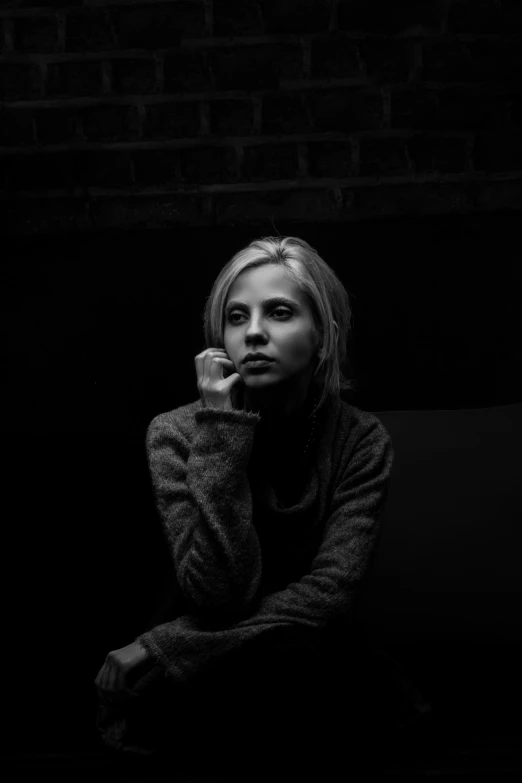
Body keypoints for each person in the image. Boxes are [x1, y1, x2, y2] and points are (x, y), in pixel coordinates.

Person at [94, 235, 403, 778]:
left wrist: (165, 644)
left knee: (297, 672)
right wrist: (223, 431)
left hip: (306, 658)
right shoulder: (177, 433)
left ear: (324, 337)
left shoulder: (361, 439)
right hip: (209, 679)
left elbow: (328, 594)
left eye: (279, 312)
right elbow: (220, 591)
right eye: (237, 317)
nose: (254, 332)